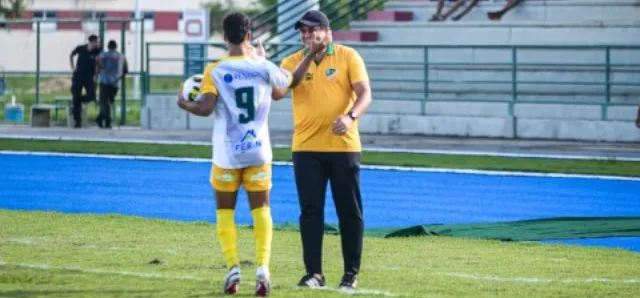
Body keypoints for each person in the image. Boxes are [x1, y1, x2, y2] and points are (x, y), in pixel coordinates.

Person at [176, 12, 295, 296]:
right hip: (258, 151)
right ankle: (263, 268)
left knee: (225, 211)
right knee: (262, 209)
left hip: (227, 155)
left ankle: (233, 267)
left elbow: (205, 108)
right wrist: (264, 59)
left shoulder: (214, 70)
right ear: (250, 35)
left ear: (225, 37)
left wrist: (183, 104)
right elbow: (281, 90)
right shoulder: (263, 66)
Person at [271, 10, 373, 292]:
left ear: (327, 32)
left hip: (343, 147)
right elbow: (278, 92)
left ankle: (350, 274)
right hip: (306, 149)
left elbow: (365, 93)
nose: (306, 36)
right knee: (310, 212)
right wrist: (308, 54)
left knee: (349, 212)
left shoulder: (348, 56)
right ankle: (313, 273)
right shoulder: (292, 61)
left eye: (312, 30)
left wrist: (350, 117)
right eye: (302, 32)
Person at [69, 34, 101, 128]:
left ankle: (80, 99)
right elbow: (71, 54)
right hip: (78, 75)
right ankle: (77, 121)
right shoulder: (81, 48)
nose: (98, 43)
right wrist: (73, 67)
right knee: (75, 97)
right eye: (97, 42)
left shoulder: (97, 51)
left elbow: (98, 63)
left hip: (89, 77)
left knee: (91, 95)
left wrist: (96, 75)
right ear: (92, 42)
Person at [95, 40, 128, 129]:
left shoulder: (104, 55)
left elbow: (98, 59)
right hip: (115, 83)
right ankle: (103, 120)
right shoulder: (121, 56)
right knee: (108, 102)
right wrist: (118, 76)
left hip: (105, 82)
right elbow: (125, 70)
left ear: (108, 46)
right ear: (116, 46)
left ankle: (105, 120)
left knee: (105, 103)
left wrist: (101, 70)